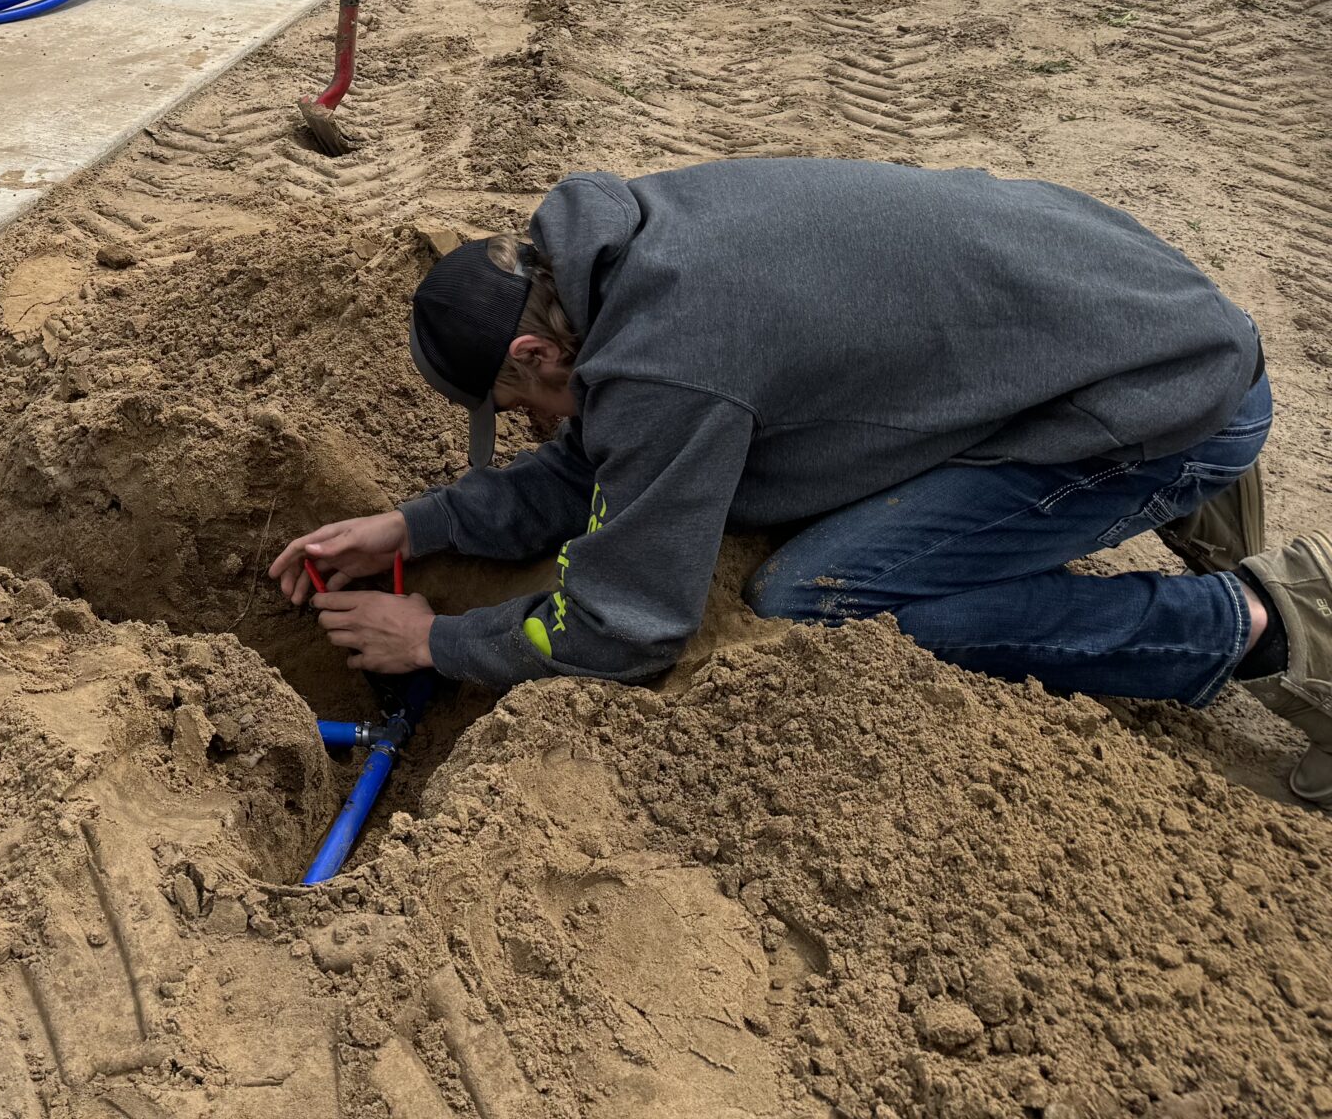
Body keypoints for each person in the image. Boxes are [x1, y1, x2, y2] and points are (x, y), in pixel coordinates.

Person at [270, 159, 1330, 804]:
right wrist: (410, 527)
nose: (534, 431)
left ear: (536, 359)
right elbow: (589, 467)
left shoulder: (664, 366)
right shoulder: (622, 254)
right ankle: (1183, 474)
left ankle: (1258, 617)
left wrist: (437, 643)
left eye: (516, 411)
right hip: (1115, 308)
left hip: (1158, 393)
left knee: (820, 600)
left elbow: (629, 629)